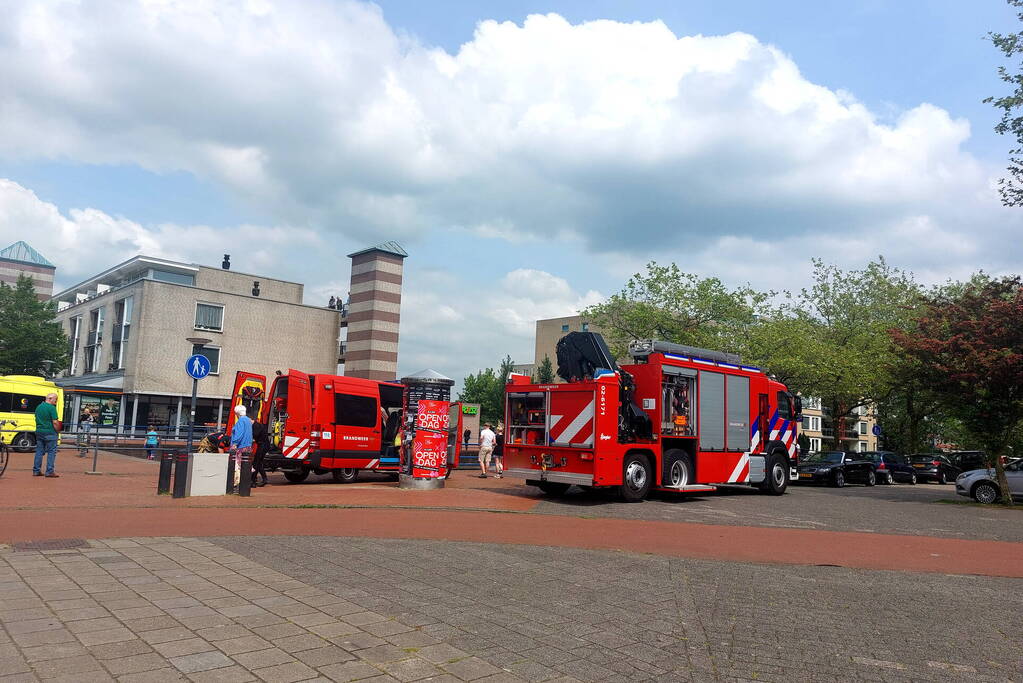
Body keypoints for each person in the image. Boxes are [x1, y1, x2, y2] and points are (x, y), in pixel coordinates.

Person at [33, 392, 61, 478]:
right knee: (52, 452)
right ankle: (49, 471)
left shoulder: (38, 407)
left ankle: (36, 470)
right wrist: (58, 431)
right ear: (50, 399)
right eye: (55, 400)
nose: (56, 402)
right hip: (50, 432)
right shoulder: (52, 408)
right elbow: (55, 422)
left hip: (39, 431)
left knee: (39, 451)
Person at [230, 405, 253, 487]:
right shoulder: (248, 420)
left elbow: (239, 433)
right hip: (248, 445)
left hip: (241, 446)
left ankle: (237, 483)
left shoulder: (241, 421)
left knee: (237, 465)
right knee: (245, 465)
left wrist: (234, 444)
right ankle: (244, 483)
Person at [250, 417, 270, 487]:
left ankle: (253, 481)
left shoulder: (256, 426)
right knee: (258, 463)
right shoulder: (257, 425)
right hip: (263, 445)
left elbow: (254, 436)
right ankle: (263, 479)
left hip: (263, 445)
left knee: (256, 462)